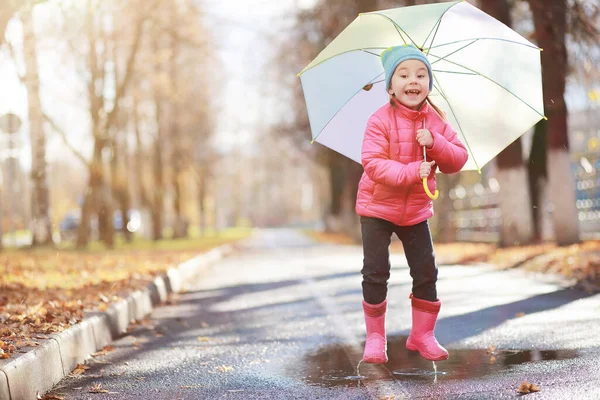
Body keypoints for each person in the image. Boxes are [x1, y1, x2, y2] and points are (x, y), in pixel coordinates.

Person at [356, 44, 468, 363]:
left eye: (421, 74)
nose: (413, 81)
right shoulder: (379, 120)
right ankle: (376, 338)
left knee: (426, 271)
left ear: (429, 83)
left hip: (416, 210)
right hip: (377, 208)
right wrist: (410, 171)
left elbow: (457, 159)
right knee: (376, 271)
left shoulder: (435, 121)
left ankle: (423, 335)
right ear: (391, 86)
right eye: (403, 75)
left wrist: (436, 143)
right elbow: (373, 163)